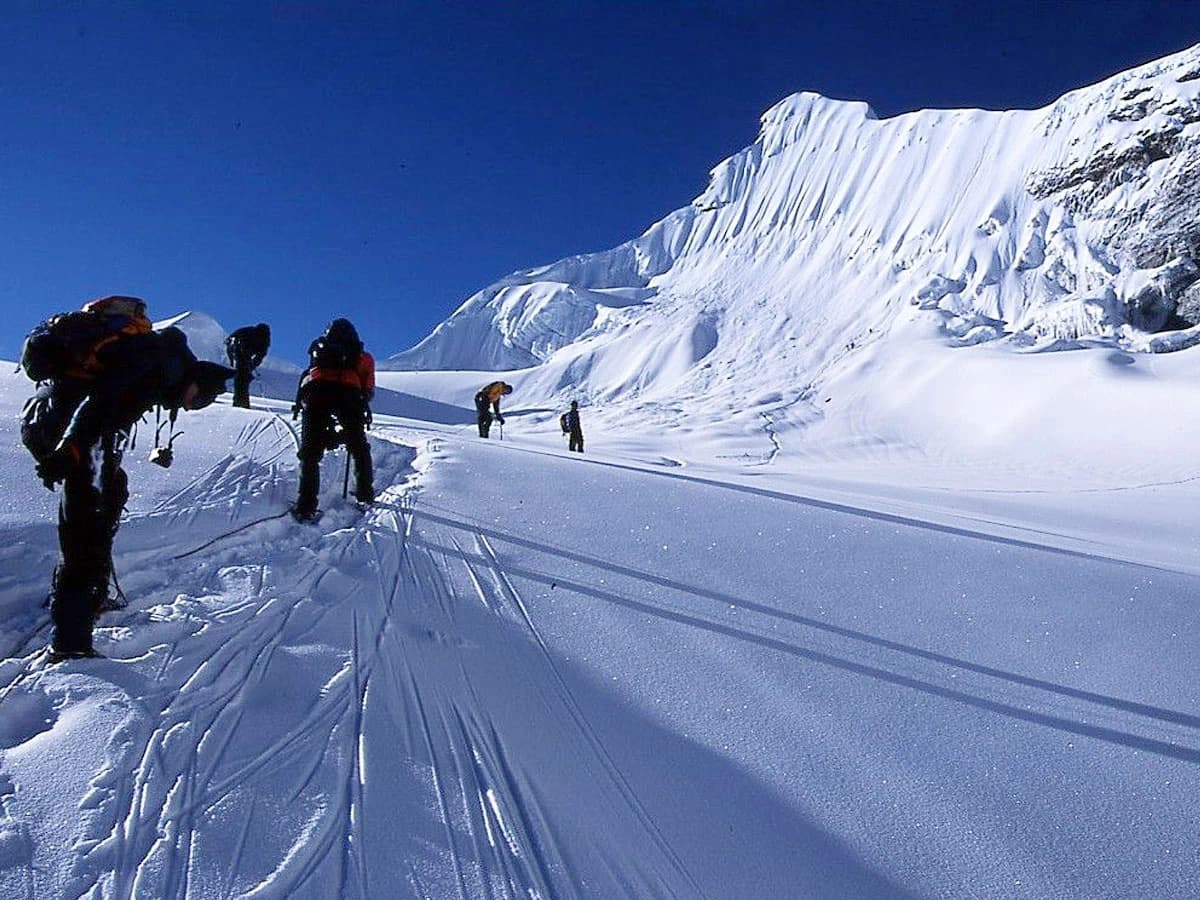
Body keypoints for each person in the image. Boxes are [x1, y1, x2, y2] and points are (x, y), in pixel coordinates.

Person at [20, 296, 234, 661]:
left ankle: (90, 596)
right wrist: (72, 447)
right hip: (68, 429)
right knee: (86, 525)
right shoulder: (158, 362)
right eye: (198, 401)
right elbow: (100, 402)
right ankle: (71, 642)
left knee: (108, 497)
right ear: (196, 379)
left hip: (55, 424)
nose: (190, 407)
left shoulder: (155, 362)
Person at [292, 318, 375, 522]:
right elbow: (368, 387)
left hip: (317, 392)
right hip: (350, 394)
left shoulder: (319, 348)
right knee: (359, 446)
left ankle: (306, 506)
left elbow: (308, 374)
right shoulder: (363, 357)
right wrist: (362, 403)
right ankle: (365, 494)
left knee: (310, 452)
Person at [225, 322, 271, 408]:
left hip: (240, 352)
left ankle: (241, 401)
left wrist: (251, 366)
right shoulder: (248, 333)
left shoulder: (264, 340)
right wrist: (248, 364)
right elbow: (238, 347)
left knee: (243, 376)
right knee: (241, 376)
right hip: (235, 350)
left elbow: (260, 355)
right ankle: (240, 401)